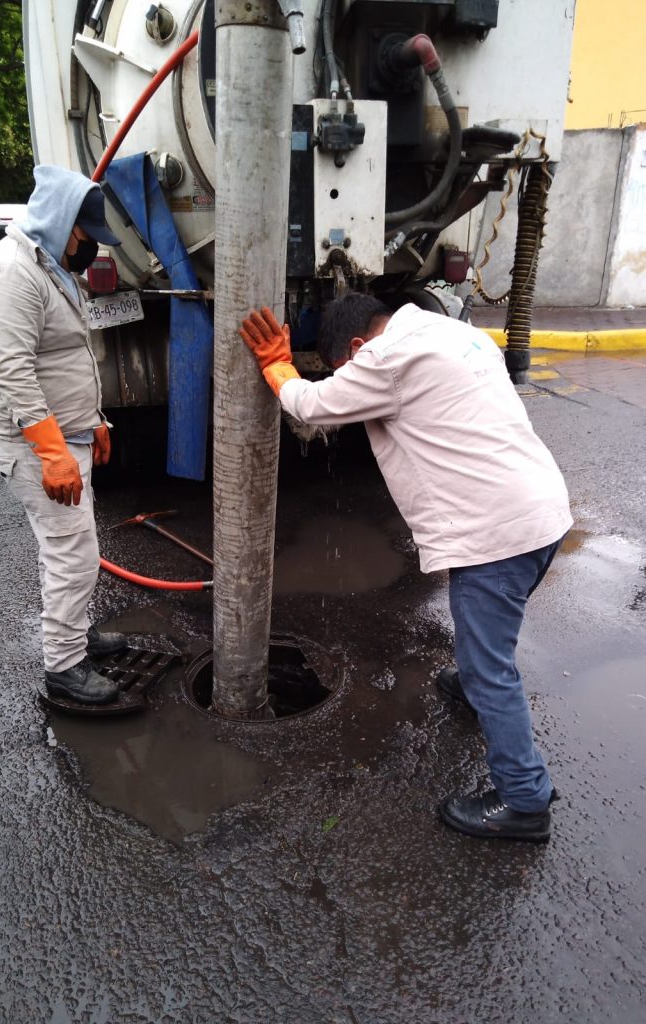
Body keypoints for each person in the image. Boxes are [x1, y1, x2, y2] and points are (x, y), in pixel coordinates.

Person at [240, 294, 573, 842]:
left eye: (349, 368)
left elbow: (313, 405)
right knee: (486, 646)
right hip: (542, 511)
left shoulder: (384, 357)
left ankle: (524, 798)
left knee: (492, 668)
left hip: (494, 535)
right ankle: (469, 684)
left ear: (355, 346)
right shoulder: (451, 333)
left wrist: (278, 363)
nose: (356, 384)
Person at [0, 165, 127, 706]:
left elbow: (68, 355)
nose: (91, 251)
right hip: (37, 448)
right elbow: (11, 374)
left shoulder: (50, 266)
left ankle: (76, 636)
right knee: (72, 555)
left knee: (73, 547)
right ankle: (64, 667)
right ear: (63, 224)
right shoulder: (10, 274)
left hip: (67, 436)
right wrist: (55, 452)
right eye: (87, 238)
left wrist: (96, 420)